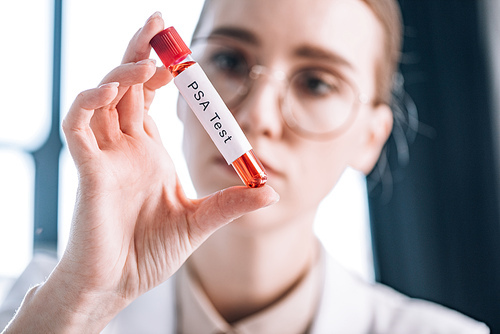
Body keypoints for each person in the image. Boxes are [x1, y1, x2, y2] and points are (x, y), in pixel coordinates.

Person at [0, 0, 490, 333]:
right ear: (179, 92)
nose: (255, 115)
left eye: (317, 83)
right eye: (230, 61)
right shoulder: (41, 306)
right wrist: (82, 302)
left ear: (371, 139)